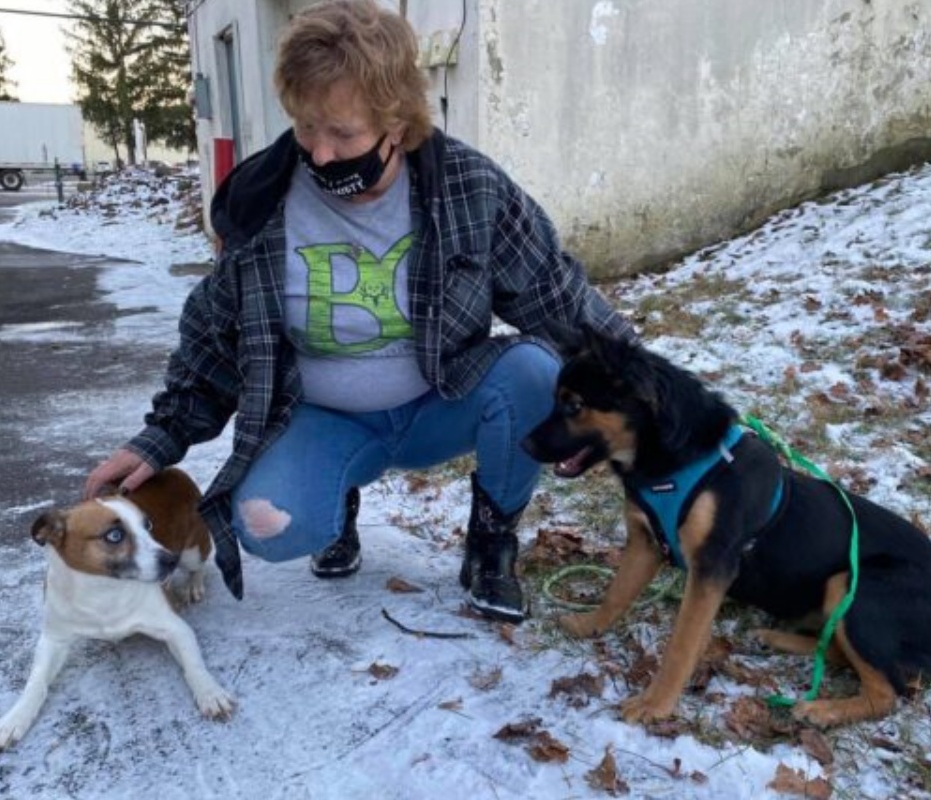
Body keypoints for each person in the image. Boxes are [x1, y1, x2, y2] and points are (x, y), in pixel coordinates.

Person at [84, 0, 633, 623]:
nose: (318, 154)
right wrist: (161, 438)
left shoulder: (468, 190)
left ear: (397, 122)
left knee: (535, 372)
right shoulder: (263, 204)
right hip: (328, 417)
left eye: (341, 133)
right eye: (305, 129)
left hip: (439, 401)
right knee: (267, 525)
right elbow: (213, 338)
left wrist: (650, 386)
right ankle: (336, 501)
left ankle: (490, 538)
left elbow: (556, 297)